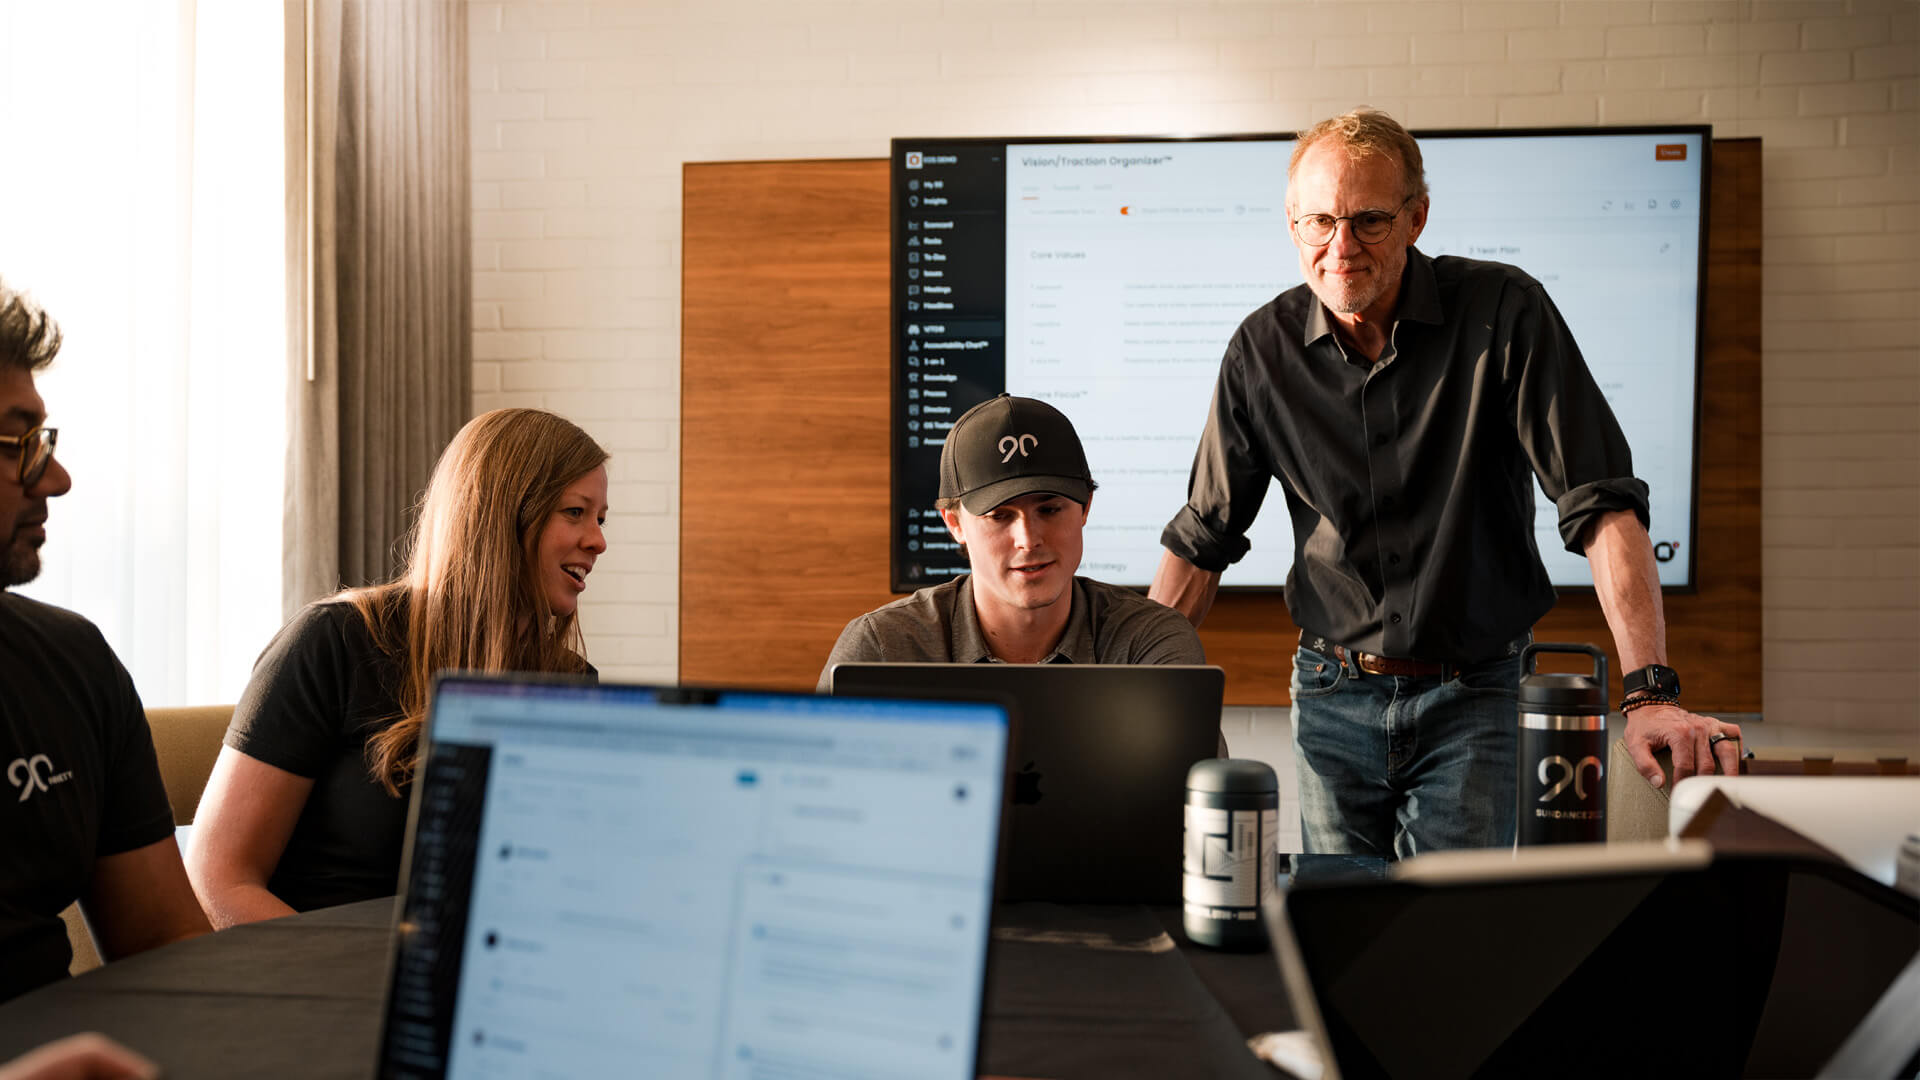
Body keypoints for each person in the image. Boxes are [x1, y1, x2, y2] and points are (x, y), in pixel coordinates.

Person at [1149, 108, 1739, 857]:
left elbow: (1600, 504)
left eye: (1367, 220)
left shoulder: (1504, 312)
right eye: (1319, 222)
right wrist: (1128, 701)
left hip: (1478, 693)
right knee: (1342, 930)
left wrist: (1651, 690)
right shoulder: (1260, 351)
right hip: (1331, 692)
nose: (1341, 247)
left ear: (1416, 217)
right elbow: (1204, 537)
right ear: (1292, 223)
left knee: (1450, 932)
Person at [186, 408, 610, 926]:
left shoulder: (572, 684)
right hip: (320, 982)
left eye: (601, 518)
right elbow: (219, 878)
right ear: (501, 512)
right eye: (575, 512)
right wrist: (343, 992)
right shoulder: (334, 641)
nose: (598, 540)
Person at [0, 280, 210, 1004]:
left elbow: (165, 944)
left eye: (43, 441)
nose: (54, 478)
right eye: (17, 444)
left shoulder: (73, 664)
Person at [820, 394, 1203, 689]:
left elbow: (1188, 790)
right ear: (954, 524)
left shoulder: (1149, 644)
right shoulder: (881, 650)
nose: (1028, 539)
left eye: (1049, 510)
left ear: (1085, 507)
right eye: (1000, 516)